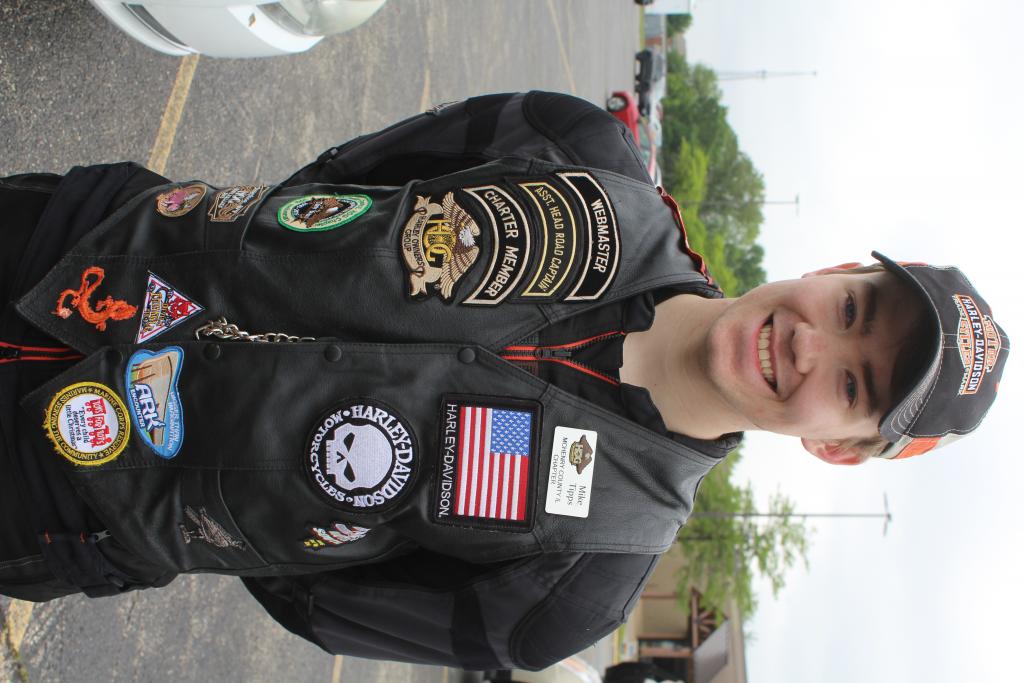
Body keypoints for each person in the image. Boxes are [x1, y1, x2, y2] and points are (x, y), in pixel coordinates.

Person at [0, 92, 1009, 671]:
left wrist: (234, 481)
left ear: (838, 446)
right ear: (837, 271)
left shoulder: (586, 579)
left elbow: (316, 603)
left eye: (854, 386)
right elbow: (351, 172)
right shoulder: (584, 154)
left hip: (70, 499)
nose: (812, 346)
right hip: (79, 246)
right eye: (852, 310)